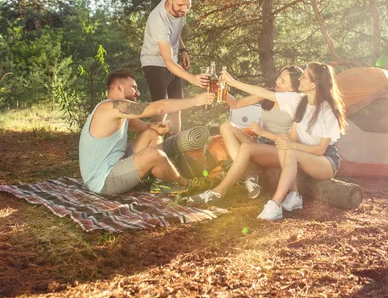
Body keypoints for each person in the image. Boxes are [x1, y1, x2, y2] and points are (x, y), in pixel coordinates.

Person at [205, 62, 346, 221]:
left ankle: (275, 204)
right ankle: (294, 196)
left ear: (314, 84)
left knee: (289, 149)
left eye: (304, 77)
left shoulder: (328, 111)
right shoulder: (298, 100)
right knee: (286, 145)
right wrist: (233, 83)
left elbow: (320, 150)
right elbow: (262, 92)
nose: (301, 78)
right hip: (301, 153)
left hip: (325, 161)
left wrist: (290, 145)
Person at [79, 69, 215, 195]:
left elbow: (148, 128)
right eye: (133, 88)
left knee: (152, 134)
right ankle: (186, 184)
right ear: (119, 87)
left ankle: (160, 180)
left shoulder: (118, 111)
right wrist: (196, 101)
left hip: (116, 165)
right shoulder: (110, 107)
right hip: (103, 181)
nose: (138, 93)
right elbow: (159, 108)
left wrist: (160, 126)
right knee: (154, 154)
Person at [192, 66, 303, 202]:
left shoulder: (296, 102)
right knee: (226, 126)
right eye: (279, 77)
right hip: (261, 145)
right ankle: (249, 177)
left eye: (283, 81)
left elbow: (291, 140)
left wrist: (262, 132)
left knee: (246, 147)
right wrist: (218, 88)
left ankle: (219, 191)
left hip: (280, 150)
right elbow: (236, 104)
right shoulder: (268, 93)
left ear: (292, 89)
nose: (278, 82)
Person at [140, 0, 209, 134]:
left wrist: (183, 50)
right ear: (170, 0)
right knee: (161, 110)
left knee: (177, 107)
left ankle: (175, 145)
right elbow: (168, 61)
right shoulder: (159, 20)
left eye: (188, 4)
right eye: (180, 5)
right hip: (154, 62)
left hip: (172, 61)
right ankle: (154, 146)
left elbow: (174, 33)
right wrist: (192, 78)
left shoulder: (178, 7)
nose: (184, 9)